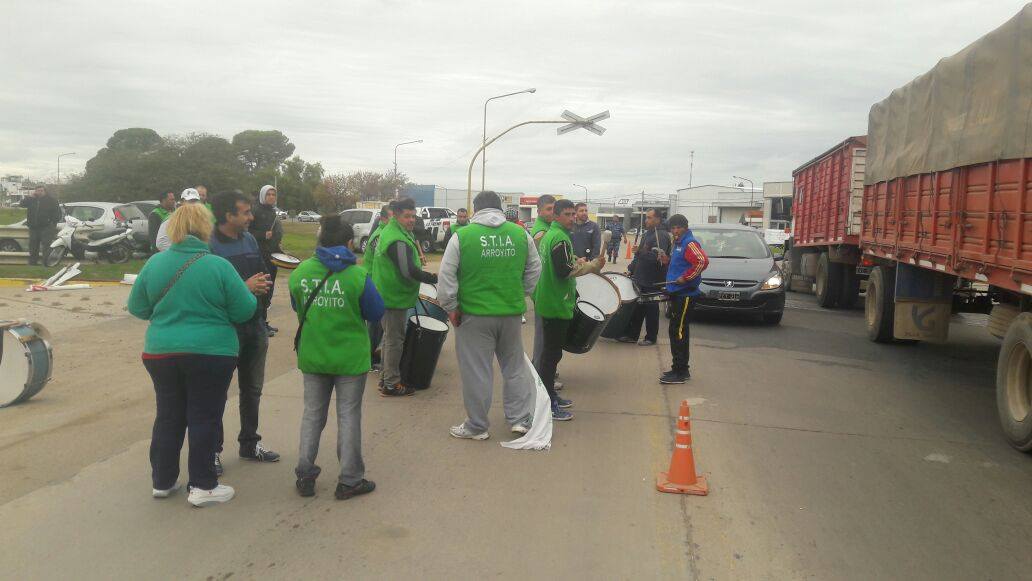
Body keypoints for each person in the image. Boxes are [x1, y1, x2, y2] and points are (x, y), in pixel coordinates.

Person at [127, 203, 261, 507]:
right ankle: (202, 485)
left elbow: (137, 307)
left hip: (161, 352)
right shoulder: (217, 265)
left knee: (168, 415)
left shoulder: (154, 264)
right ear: (205, 229)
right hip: (211, 352)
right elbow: (245, 310)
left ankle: (163, 480)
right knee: (204, 416)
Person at [290, 216, 384, 500]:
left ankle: (305, 475)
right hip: (349, 358)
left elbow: (297, 305)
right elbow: (376, 313)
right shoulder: (358, 276)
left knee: (312, 415)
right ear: (348, 243)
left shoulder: (301, 272)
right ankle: (350, 479)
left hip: (314, 354)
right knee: (348, 416)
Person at [437, 191, 542, 440]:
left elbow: (446, 275)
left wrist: (451, 306)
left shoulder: (463, 236)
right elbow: (535, 268)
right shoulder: (519, 234)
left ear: (475, 209)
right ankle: (519, 420)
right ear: (500, 209)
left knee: (477, 371)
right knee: (514, 367)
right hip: (511, 313)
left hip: (473, 316)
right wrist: (521, 293)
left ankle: (477, 426)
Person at [209, 191, 281, 474]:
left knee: (252, 390)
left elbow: (261, 272)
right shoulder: (209, 245)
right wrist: (245, 286)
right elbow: (211, 289)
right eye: (245, 212)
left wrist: (262, 284)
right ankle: (212, 450)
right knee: (217, 394)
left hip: (255, 326)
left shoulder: (249, 239)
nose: (251, 217)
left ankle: (250, 443)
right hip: (225, 330)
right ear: (229, 216)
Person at [532, 199, 605, 420]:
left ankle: (551, 394)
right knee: (550, 356)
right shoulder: (560, 238)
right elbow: (564, 271)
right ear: (555, 216)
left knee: (551, 354)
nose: (572, 218)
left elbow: (561, 263)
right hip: (555, 303)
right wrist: (591, 266)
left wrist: (576, 260)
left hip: (549, 300)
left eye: (574, 214)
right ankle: (548, 403)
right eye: (567, 214)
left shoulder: (551, 235)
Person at [371, 197, 438, 397]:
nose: (411, 220)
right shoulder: (396, 239)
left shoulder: (395, 232)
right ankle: (392, 383)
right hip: (393, 297)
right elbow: (407, 271)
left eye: (413, 216)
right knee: (394, 340)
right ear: (396, 216)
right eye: (407, 216)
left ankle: (385, 379)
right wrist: (432, 278)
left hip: (389, 294)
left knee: (389, 339)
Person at [661, 214, 709, 384]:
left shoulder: (689, 243)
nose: (675, 231)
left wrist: (687, 278)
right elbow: (682, 264)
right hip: (677, 292)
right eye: (673, 228)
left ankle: (680, 372)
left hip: (686, 294)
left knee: (679, 332)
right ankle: (678, 368)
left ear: (685, 227)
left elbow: (702, 261)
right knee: (675, 331)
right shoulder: (678, 243)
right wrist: (667, 260)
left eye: (678, 228)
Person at [618, 209, 672, 346]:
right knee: (637, 308)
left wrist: (641, 252)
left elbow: (658, 259)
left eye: (649, 218)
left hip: (653, 280)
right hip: (640, 277)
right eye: (646, 218)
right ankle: (632, 335)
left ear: (658, 219)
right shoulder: (648, 234)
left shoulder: (662, 236)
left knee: (651, 309)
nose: (646, 220)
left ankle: (651, 338)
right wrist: (630, 269)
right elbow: (638, 256)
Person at [249, 185, 284, 336]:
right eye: (268, 194)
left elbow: (275, 235)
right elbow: (247, 232)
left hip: (272, 256)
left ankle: (264, 322)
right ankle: (260, 325)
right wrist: (263, 235)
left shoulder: (273, 212)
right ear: (263, 195)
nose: (271, 197)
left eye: (273, 194)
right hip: (259, 256)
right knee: (262, 291)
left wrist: (280, 250)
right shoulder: (255, 210)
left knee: (269, 290)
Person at [529, 195, 556, 371]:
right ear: (538, 211)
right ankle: (540, 371)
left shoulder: (548, 227)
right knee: (543, 336)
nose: (552, 212)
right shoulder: (541, 232)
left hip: (545, 288)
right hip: (543, 289)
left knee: (547, 335)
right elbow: (545, 263)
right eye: (548, 209)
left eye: (554, 208)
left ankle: (543, 368)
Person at [365, 204, 393, 371]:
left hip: (378, 284)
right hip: (373, 284)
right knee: (374, 326)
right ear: (383, 219)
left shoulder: (386, 233)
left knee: (379, 326)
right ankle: (369, 359)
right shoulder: (380, 236)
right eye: (391, 217)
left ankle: (374, 357)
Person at [19, 186, 62, 265]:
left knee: (46, 245)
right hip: (33, 227)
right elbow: (21, 204)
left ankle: (46, 263)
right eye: (38, 191)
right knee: (33, 246)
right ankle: (33, 263)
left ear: (45, 191)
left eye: (41, 190)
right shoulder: (32, 199)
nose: (39, 192)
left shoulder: (51, 200)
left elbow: (58, 214)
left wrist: (52, 222)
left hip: (47, 227)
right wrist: (29, 197)